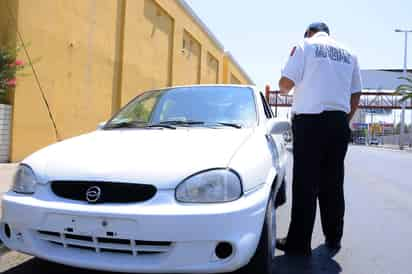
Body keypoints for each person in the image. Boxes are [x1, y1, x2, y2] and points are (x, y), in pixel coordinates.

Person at [276, 22, 362, 255]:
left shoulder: (305, 46)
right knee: (333, 182)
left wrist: (286, 82)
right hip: (338, 124)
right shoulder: (349, 53)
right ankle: (334, 238)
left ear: (308, 33)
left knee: (305, 184)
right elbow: (356, 94)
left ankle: (298, 244)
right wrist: (345, 120)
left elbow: (284, 85)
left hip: (310, 124)